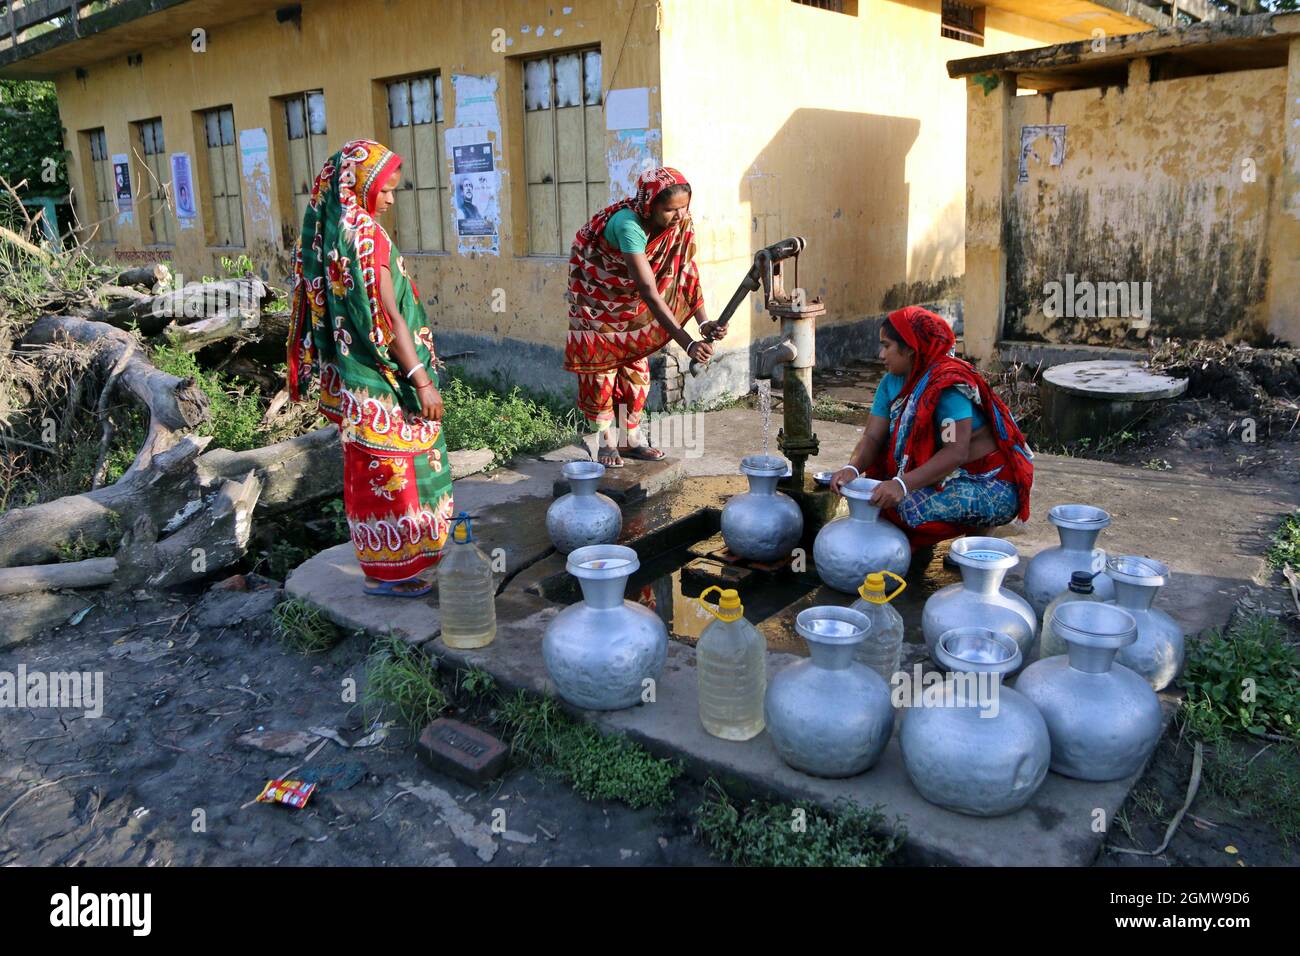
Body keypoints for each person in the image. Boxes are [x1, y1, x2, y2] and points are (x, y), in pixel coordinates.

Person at [286, 139, 454, 597]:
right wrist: (420, 380)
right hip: (384, 381)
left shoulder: (335, 230)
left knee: (369, 475)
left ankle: (384, 570)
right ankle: (399, 574)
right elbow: (388, 316)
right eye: (384, 190)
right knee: (403, 472)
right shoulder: (366, 236)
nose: (390, 199)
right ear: (360, 185)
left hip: (356, 383)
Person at [829, 306, 1034, 550]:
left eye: (887, 346)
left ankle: (981, 529)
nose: (881, 355)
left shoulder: (945, 387)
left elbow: (955, 451)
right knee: (878, 492)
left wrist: (902, 484)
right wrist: (852, 468)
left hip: (988, 483)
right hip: (946, 474)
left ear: (910, 349)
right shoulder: (890, 383)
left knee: (904, 507)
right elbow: (873, 436)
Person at [564, 166, 726, 468]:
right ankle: (606, 442)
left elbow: (684, 273)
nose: (678, 216)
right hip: (599, 299)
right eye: (669, 210)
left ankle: (630, 440)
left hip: (633, 305)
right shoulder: (629, 226)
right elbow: (649, 289)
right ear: (650, 205)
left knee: (636, 373)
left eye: (683, 208)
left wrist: (704, 322)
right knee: (601, 372)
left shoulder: (680, 224)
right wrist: (688, 344)